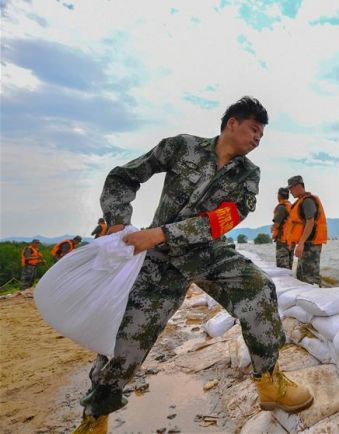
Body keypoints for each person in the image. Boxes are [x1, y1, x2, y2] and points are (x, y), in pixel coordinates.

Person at [73, 97, 313, 434]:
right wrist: (117, 221)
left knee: (259, 290)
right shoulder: (182, 147)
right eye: (254, 130)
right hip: (159, 262)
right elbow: (123, 177)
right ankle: (95, 416)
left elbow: (224, 219)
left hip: (207, 252)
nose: (259, 139)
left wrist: (158, 234)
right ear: (232, 123)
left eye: (262, 135)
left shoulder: (248, 174)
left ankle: (269, 381)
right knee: (126, 339)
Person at [284, 176, 327, 286]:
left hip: (310, 245)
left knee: (310, 278)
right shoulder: (301, 201)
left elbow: (310, 222)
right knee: (301, 276)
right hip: (305, 244)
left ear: (298, 186)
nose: (290, 191)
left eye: (291, 188)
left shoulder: (308, 201)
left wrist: (301, 243)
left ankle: (319, 298)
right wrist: (295, 243)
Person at [271, 187, 293, 269]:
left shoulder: (281, 207)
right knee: (289, 265)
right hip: (290, 240)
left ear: (279, 196)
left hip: (282, 240)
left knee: (282, 268)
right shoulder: (291, 206)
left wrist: (272, 228)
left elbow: (277, 224)